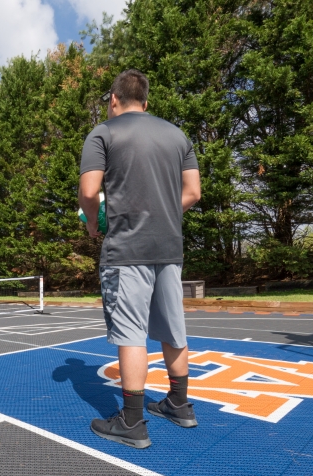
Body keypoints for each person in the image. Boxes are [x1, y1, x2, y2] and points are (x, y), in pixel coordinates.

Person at [78, 69, 202, 449]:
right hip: (169, 246)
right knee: (172, 327)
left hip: (127, 248)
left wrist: (93, 222)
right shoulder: (177, 134)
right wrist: (162, 209)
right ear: (146, 102)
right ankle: (180, 405)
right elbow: (193, 192)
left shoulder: (103, 133)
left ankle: (132, 422)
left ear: (114, 99)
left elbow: (89, 190)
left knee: (131, 332)